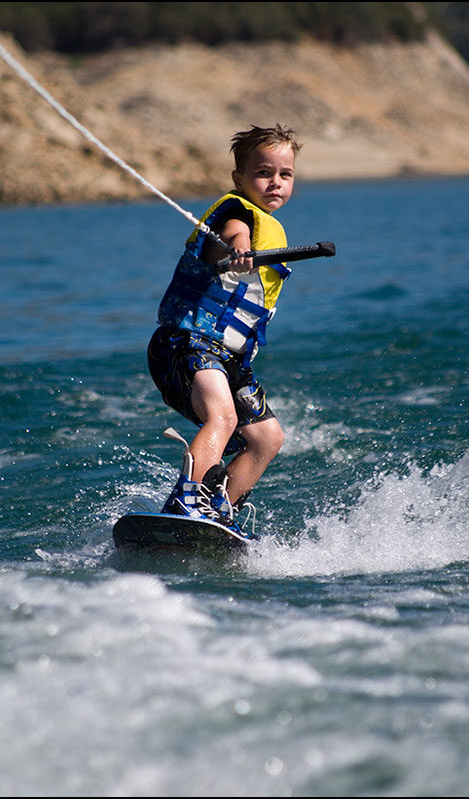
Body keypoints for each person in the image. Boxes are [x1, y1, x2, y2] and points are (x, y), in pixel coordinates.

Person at [147, 123, 302, 537]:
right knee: (224, 416)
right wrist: (239, 249)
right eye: (263, 173)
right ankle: (189, 496)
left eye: (284, 175)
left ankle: (216, 511)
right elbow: (232, 235)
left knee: (266, 439)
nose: (275, 183)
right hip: (188, 344)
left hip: (228, 358)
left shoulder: (271, 224)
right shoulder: (237, 213)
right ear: (239, 178)